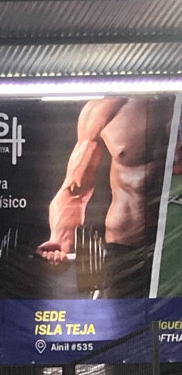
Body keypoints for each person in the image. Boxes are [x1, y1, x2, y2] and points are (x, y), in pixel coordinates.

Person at [37, 95, 171, 298]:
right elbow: (74, 189)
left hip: (175, 248)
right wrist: (59, 240)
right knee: (124, 320)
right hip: (128, 254)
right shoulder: (106, 108)